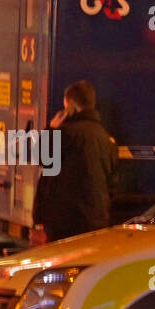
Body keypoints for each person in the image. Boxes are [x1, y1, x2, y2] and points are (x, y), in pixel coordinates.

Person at [31, 80, 118, 244]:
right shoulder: (106, 139)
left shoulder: (65, 134)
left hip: (65, 221)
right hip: (96, 220)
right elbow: (112, 183)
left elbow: (40, 157)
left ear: (70, 105)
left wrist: (52, 129)